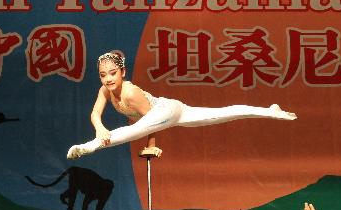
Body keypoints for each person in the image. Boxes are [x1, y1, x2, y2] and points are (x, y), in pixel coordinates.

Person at [66, 51, 296, 159]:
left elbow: (148, 124)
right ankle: (269, 110)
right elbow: (95, 114)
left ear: (123, 72)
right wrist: (100, 127)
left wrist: (151, 146)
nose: (108, 79)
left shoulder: (131, 91)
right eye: (103, 75)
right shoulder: (104, 90)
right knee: (221, 114)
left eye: (113, 73)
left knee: (134, 132)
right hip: (170, 112)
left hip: (166, 111)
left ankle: (90, 147)